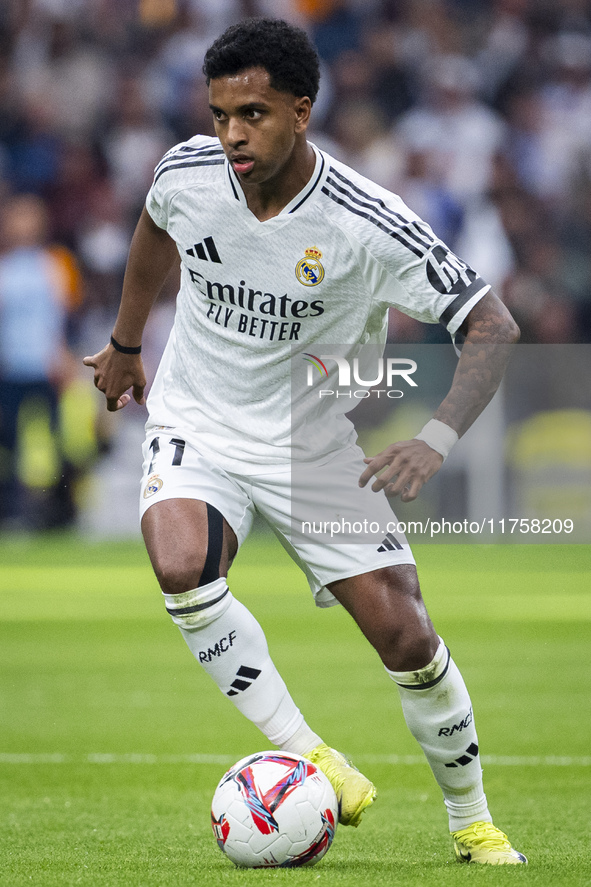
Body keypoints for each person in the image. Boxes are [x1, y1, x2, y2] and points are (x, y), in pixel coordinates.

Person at [84, 18, 526, 865]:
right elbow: (154, 229)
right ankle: (313, 753)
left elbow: (493, 325)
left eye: (252, 114)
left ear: (301, 110)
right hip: (199, 417)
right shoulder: (188, 172)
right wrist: (129, 343)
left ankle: (472, 822)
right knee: (179, 564)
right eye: (219, 115)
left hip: (312, 440)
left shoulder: (369, 223)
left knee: (407, 640)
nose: (232, 135)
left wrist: (434, 437)